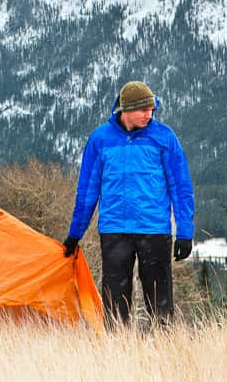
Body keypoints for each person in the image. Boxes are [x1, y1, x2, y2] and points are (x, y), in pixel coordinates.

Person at [62, 81, 194, 326]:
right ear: (125, 110)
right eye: (143, 110)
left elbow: (181, 186)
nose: (149, 114)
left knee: (160, 302)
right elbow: (88, 190)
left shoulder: (164, 137)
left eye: (152, 109)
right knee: (114, 303)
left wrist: (185, 232)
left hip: (154, 230)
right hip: (115, 231)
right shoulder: (100, 139)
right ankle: (117, 353)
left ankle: (163, 351)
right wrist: (75, 233)